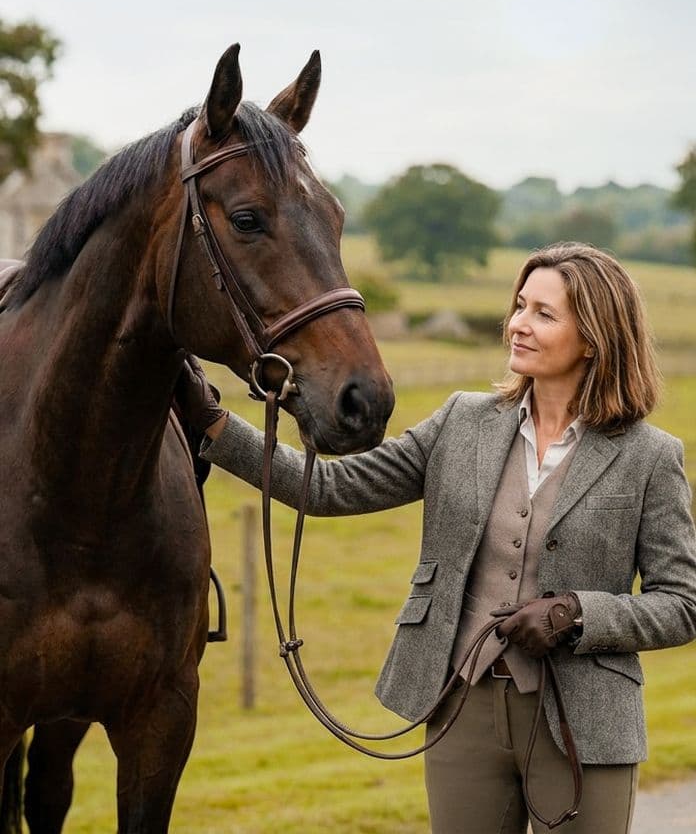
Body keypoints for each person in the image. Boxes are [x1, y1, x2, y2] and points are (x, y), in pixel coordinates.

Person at [175, 242, 696, 834]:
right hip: (461, 709)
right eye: (519, 306)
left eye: (543, 314)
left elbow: (681, 602)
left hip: (587, 723)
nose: (518, 325)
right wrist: (213, 422)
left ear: (596, 337)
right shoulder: (461, 421)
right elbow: (329, 488)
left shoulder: (650, 457)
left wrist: (579, 613)